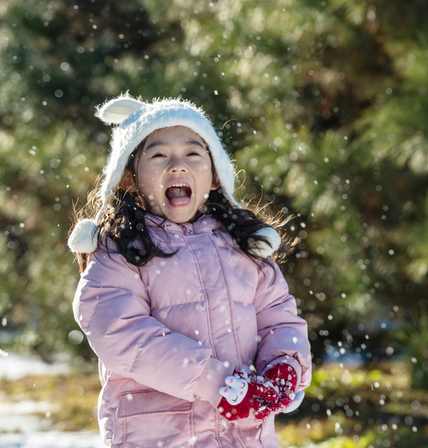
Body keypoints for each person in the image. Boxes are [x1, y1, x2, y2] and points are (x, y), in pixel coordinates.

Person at [68, 94, 312, 448]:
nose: (177, 165)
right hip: (160, 435)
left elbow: (278, 317)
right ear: (129, 179)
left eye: (193, 154)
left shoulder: (243, 247)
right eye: (159, 155)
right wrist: (215, 382)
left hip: (243, 436)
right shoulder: (121, 250)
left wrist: (284, 365)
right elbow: (118, 332)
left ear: (214, 176)